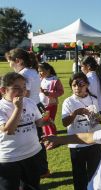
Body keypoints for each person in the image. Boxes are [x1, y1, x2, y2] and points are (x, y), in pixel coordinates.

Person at [5, 48, 50, 178]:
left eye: (10, 62)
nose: (10, 65)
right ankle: (42, 168)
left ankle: (38, 168)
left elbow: (26, 94)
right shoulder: (33, 71)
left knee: (31, 138)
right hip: (37, 105)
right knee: (38, 138)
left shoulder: (24, 74)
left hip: (29, 107)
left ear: (17, 60)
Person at [0, 72, 47, 190]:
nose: (22, 91)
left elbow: (37, 122)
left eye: (24, 88)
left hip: (33, 153)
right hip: (10, 158)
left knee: (32, 187)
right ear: (3, 90)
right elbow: (8, 130)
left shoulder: (30, 102)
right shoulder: (1, 108)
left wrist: (45, 120)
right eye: (16, 88)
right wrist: (18, 108)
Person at [61, 72, 101, 190]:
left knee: (95, 172)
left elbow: (99, 119)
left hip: (94, 141)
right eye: (74, 85)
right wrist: (75, 113)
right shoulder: (68, 102)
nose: (77, 88)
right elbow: (65, 123)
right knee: (79, 175)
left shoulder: (93, 99)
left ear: (87, 85)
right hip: (77, 143)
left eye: (80, 85)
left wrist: (96, 117)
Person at [38, 62, 64, 136]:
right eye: (38, 71)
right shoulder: (40, 79)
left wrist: (49, 93)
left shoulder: (55, 79)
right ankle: (47, 136)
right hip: (41, 104)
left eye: (41, 71)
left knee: (49, 120)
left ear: (48, 70)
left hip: (51, 104)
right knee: (43, 120)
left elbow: (61, 91)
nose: (40, 73)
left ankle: (53, 137)